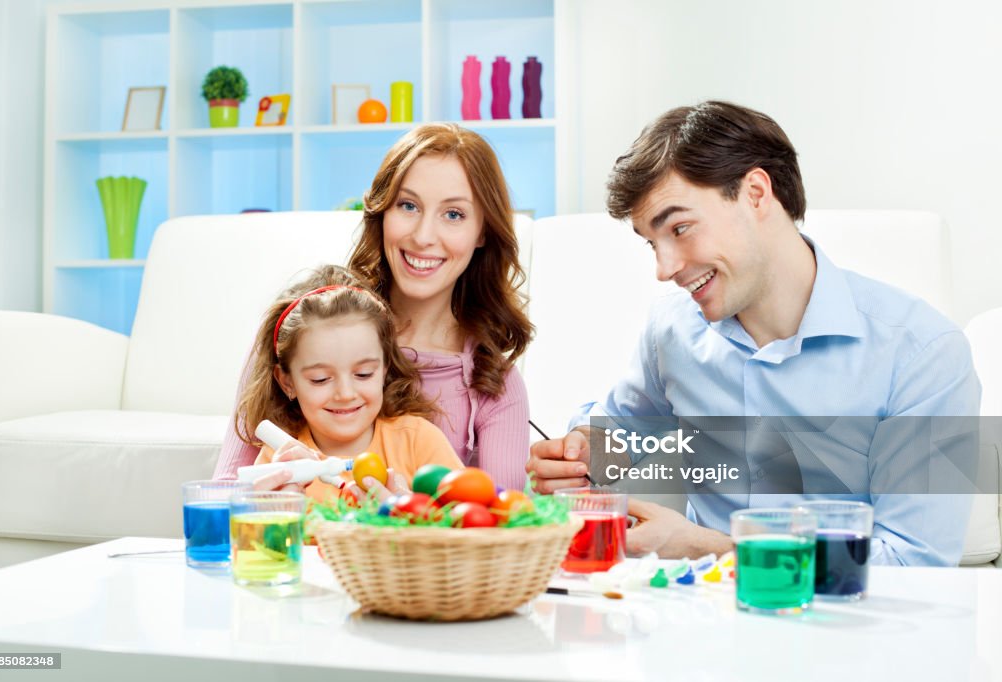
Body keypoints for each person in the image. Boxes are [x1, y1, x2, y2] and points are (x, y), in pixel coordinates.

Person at [527, 101, 980, 566]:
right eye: (652, 243)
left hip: (846, 627)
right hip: (699, 619)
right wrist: (581, 453)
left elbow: (913, 566)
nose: (664, 269)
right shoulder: (672, 332)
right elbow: (618, 435)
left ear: (757, 193)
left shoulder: (922, 354)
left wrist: (707, 547)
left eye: (680, 228)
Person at [214, 123, 533, 490]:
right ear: (382, 211)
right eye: (408, 206)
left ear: (483, 233)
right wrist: (270, 506)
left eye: (454, 214)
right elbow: (221, 500)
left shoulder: (493, 382)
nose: (423, 236)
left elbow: (500, 523)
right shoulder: (303, 329)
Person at [236, 265, 463, 501]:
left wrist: (410, 514)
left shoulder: (418, 440)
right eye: (320, 379)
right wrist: (277, 514)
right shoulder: (280, 459)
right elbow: (255, 534)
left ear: (384, 370)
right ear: (287, 383)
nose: (345, 394)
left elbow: (473, 524)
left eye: (364, 374)